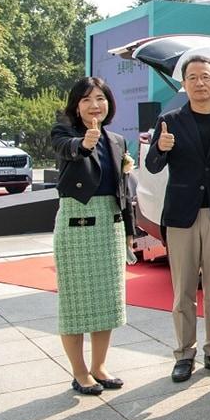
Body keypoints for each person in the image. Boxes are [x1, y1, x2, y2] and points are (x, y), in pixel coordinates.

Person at [145, 55, 210, 383]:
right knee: (183, 290)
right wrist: (160, 148)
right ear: (184, 84)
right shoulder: (170, 120)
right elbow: (152, 165)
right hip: (181, 215)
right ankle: (184, 353)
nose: (200, 83)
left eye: (206, 77)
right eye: (193, 78)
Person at [50, 77, 134, 395]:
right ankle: (80, 371)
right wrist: (85, 143)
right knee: (74, 304)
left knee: (107, 303)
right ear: (76, 106)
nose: (94, 105)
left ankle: (99, 366)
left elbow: (123, 191)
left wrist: (128, 230)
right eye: (86, 99)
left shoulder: (116, 140)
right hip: (76, 225)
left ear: (109, 102)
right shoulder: (64, 133)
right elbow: (67, 150)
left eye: (99, 98)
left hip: (110, 226)